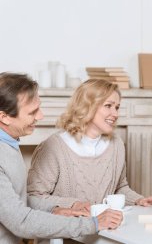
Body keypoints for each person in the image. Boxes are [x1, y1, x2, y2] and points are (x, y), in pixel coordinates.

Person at [0, 72, 122, 243]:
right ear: (4, 117)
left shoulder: (9, 144)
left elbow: (17, 202)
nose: (40, 116)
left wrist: (56, 208)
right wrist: (92, 224)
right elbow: (22, 221)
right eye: (32, 112)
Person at [27, 78, 152, 215]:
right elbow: (33, 198)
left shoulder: (116, 144)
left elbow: (119, 188)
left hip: (103, 229)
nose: (115, 114)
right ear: (87, 106)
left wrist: (139, 200)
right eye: (108, 106)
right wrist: (73, 204)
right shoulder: (54, 146)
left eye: (117, 107)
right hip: (64, 234)